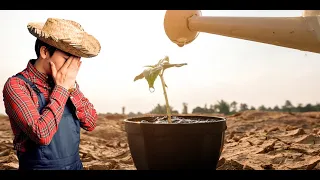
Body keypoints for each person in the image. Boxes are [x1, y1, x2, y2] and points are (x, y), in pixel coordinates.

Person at [2, 17, 101, 170]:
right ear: (45, 51)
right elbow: (42, 134)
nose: (71, 67)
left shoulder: (66, 83)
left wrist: (72, 88)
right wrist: (62, 89)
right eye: (67, 59)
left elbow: (91, 122)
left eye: (75, 62)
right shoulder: (17, 86)